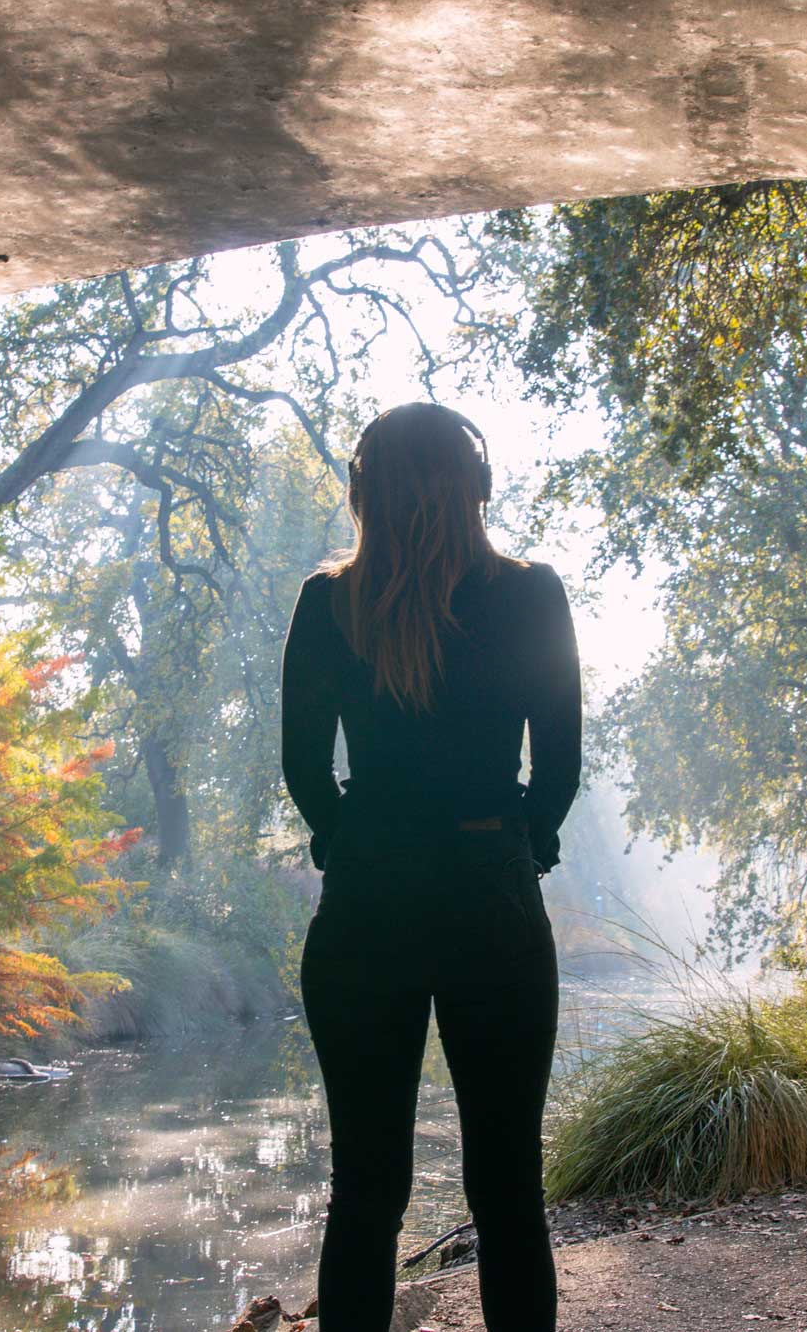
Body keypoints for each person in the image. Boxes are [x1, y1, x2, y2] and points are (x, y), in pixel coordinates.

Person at [280, 401, 582, 1332]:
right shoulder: (534, 594)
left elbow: (301, 766)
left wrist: (351, 840)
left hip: (367, 907)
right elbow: (559, 769)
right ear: (477, 486)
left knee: (365, 1190)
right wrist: (515, 840)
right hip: (491, 899)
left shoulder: (327, 603)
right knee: (508, 1187)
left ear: (362, 492)